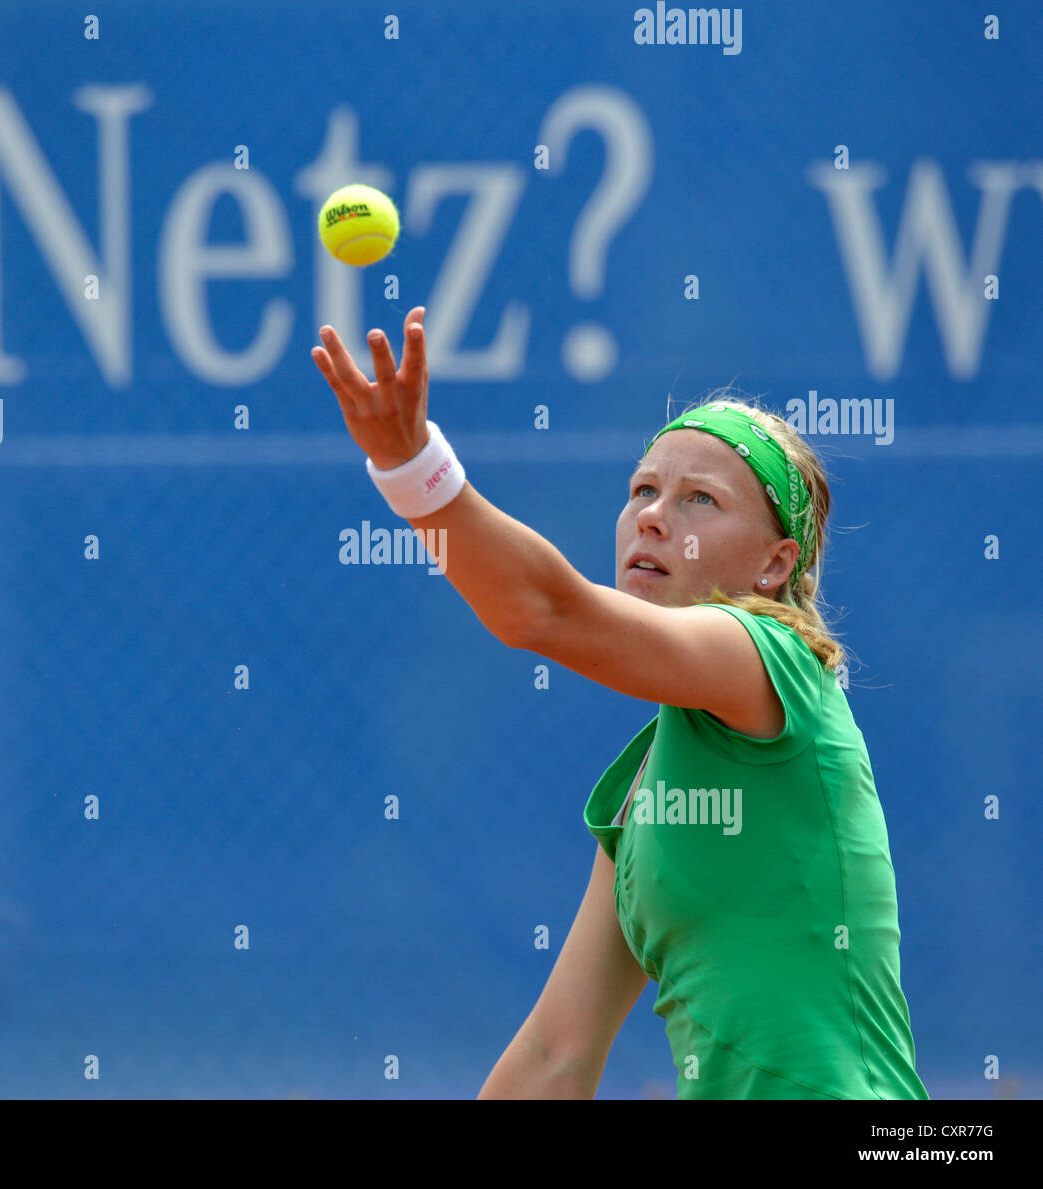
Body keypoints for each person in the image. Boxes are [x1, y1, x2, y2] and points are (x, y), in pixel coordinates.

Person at [311, 306, 926, 1100]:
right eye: (642, 489)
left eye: (699, 499)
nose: (652, 515)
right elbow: (556, 1052)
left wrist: (411, 467)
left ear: (775, 564)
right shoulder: (646, 791)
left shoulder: (773, 661)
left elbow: (543, 611)